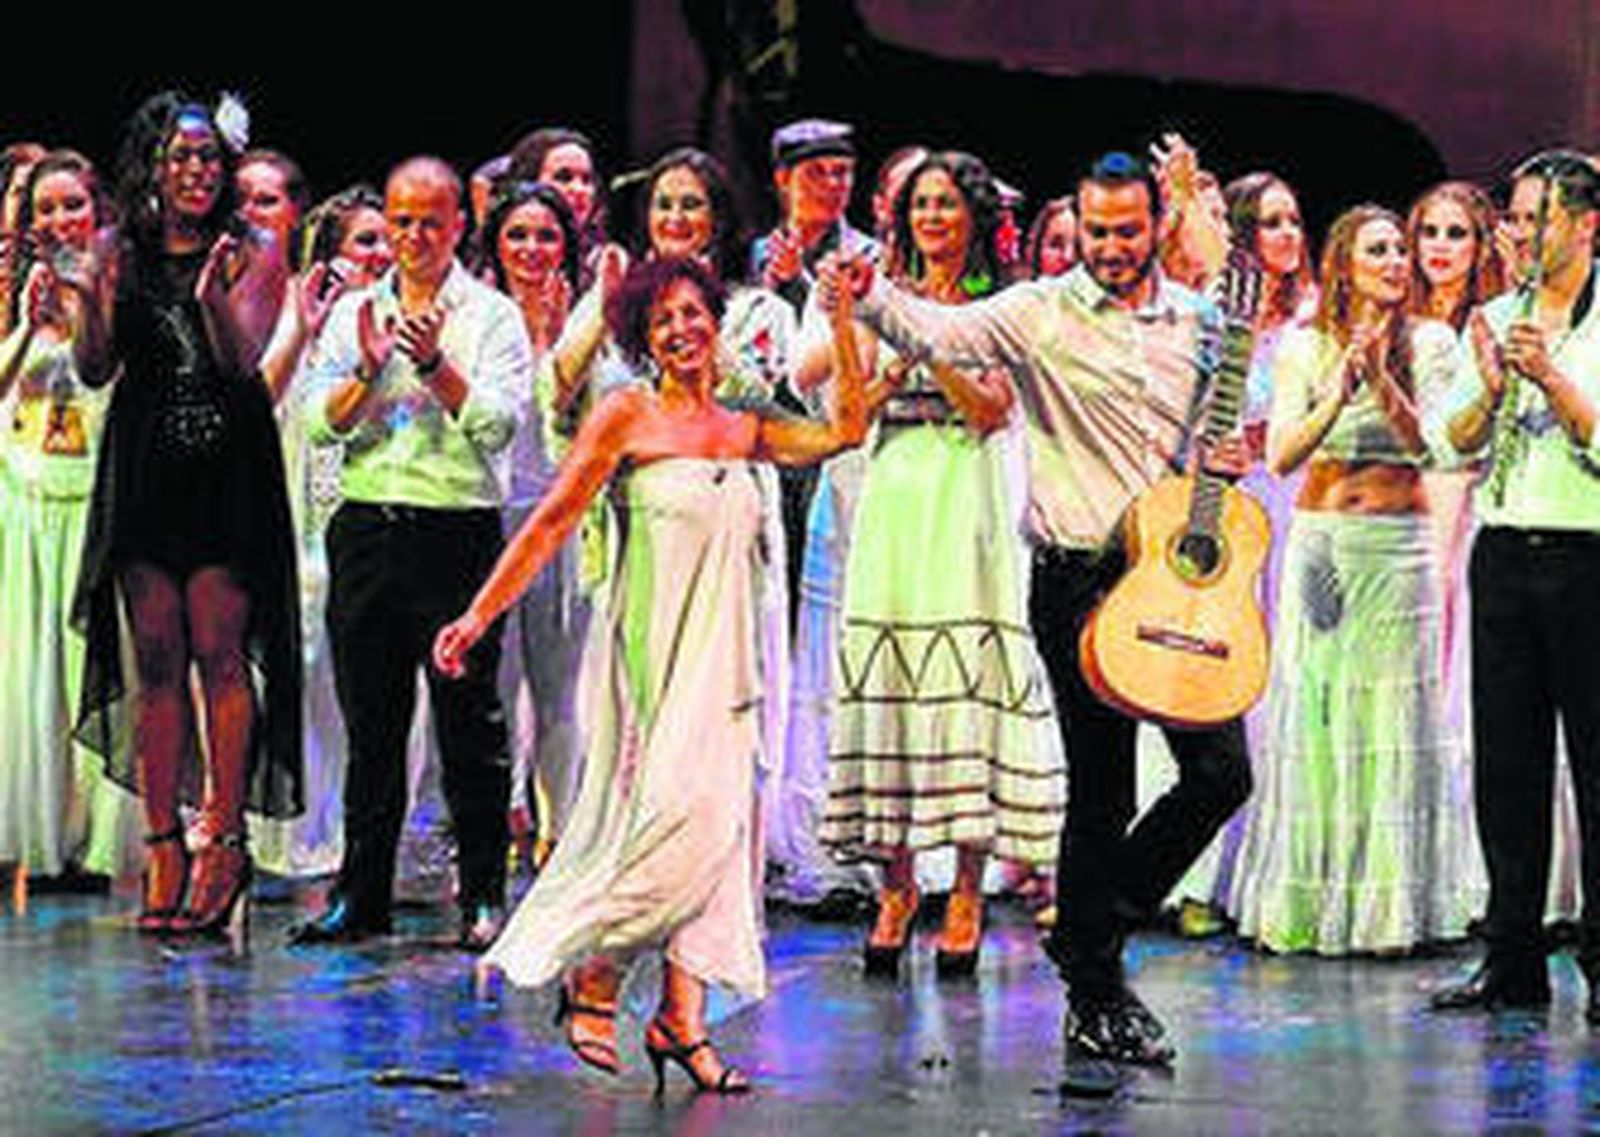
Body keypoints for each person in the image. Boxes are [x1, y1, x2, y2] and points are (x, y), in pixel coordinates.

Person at [822, 150, 1252, 1072]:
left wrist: (1228, 457)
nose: (1109, 247)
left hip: (1173, 576)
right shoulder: (1040, 309)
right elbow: (938, 327)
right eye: (1095, 230)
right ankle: (1096, 993)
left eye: (1127, 231)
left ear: (1154, 229)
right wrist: (865, 294)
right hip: (1079, 578)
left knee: (1220, 773)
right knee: (1103, 792)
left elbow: (1228, 428)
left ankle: (1090, 924)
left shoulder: (1200, 322)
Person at [432, 255, 868, 1093]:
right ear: (644, 338)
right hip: (650, 661)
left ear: (715, 320)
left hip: (728, 658)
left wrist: (842, 317)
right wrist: (478, 614)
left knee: (722, 836)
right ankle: (596, 974)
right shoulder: (624, 415)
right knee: (680, 822)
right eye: (662, 319)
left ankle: (681, 1018)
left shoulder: (744, 426)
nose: (681, 329)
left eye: (693, 313)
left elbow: (844, 429)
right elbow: (551, 522)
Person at [817, 151, 1064, 977]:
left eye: (947, 205)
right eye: (920, 204)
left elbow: (993, 409)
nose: (932, 218)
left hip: (965, 491)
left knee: (966, 682)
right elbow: (847, 415)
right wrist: (878, 346)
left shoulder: (997, 306)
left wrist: (931, 349)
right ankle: (895, 884)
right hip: (895, 487)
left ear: (972, 217)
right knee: (889, 676)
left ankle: (963, 887)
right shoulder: (875, 295)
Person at [73, 90, 303, 939]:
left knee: (220, 653)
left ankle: (225, 842)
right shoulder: (115, 248)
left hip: (225, 470)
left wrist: (212, 298)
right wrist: (87, 299)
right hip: (144, 468)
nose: (199, 170)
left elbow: (243, 362)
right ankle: (161, 841)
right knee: (157, 659)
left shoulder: (254, 247)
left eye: (210, 157)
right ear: (153, 165)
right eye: (182, 156)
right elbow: (97, 368)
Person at [289, 156, 532, 950]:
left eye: (431, 221)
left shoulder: (490, 314)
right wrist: (365, 368)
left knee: (469, 723)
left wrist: (434, 365)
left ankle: (484, 898)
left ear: (459, 223)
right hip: (368, 526)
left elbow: (499, 425)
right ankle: (361, 895)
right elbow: (322, 422)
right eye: (400, 221)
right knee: (373, 722)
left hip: (455, 531)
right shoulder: (357, 309)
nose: (414, 237)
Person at [1228, 204, 1479, 953]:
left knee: (1393, 719)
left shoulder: (1433, 341)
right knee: (1322, 711)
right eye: (1381, 250)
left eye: (1401, 248)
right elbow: (1281, 455)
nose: (1399, 260)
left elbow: (1431, 446)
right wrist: (1340, 386)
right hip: (1323, 543)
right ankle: (1312, 900)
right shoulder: (1306, 345)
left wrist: (1384, 380)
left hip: (1398, 548)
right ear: (1344, 264)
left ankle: (1390, 909)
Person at [1427, 150, 1600, 1018]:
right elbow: (1447, 439)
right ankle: (1513, 958)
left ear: (1587, 224)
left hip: (1588, 556)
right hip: (1503, 554)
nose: (1524, 234)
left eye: (1541, 218)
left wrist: (1556, 380)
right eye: (1520, 217)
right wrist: (1492, 386)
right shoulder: (1493, 316)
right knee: (1508, 766)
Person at [0, 150, 139, 897]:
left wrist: (86, 299)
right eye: (44, 209)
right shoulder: (14, 290)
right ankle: (42, 840)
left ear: (98, 210)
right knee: (34, 674)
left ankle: (95, 841)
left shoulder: (118, 283)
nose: (58, 221)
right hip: (25, 495)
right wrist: (26, 323)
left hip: (93, 495)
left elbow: (106, 373)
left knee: (96, 669)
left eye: (71, 206)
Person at [252, 184, 392, 879]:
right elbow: (264, 401)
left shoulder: (407, 319)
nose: (382, 252)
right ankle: (302, 833)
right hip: (307, 526)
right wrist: (307, 325)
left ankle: (365, 839)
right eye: (366, 240)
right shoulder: (302, 321)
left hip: (379, 521)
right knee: (308, 668)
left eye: (387, 238)